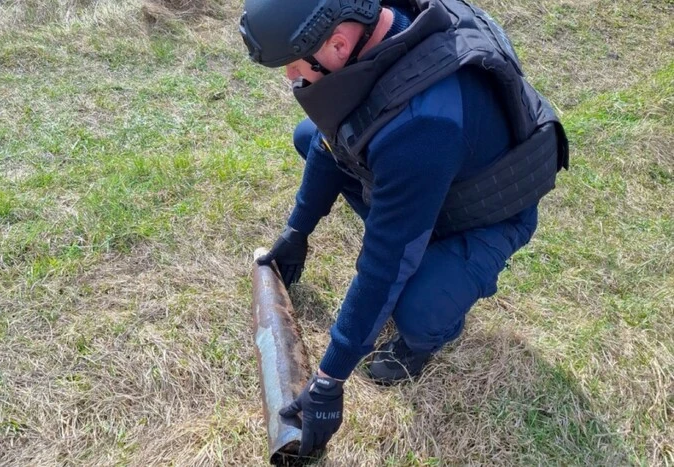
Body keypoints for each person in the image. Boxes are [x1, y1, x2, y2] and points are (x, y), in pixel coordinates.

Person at [240, 0, 568, 457]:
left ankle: (432, 330)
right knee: (306, 136)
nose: (289, 76)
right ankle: (418, 230)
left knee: (414, 307)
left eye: (293, 64)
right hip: (439, 174)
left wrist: (329, 379)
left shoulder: (421, 125)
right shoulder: (376, 24)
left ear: (338, 45)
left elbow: (384, 264)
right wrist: (298, 230)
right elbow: (334, 139)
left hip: (486, 215)